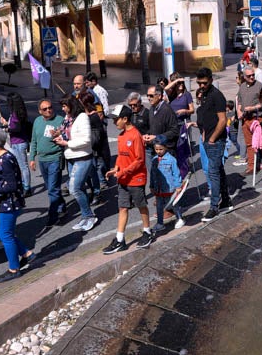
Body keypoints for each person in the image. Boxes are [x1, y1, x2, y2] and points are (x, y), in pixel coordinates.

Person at [0, 128, 35, 283]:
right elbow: (3, 180)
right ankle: (27, 253)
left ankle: (14, 268)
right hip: (2, 203)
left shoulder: (6, 159)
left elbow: (12, 185)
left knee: (6, 236)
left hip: (9, 204)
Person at [102, 109, 154, 254]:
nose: (114, 122)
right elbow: (120, 155)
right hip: (123, 179)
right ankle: (120, 240)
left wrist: (122, 172)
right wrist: (116, 168)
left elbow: (139, 160)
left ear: (125, 119)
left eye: (116, 119)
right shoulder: (121, 136)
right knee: (122, 208)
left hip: (136, 179)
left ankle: (147, 232)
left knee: (141, 206)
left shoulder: (136, 135)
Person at [54, 95, 98, 233]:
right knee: (80, 188)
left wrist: (66, 143)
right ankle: (85, 216)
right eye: (62, 106)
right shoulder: (68, 119)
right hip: (71, 157)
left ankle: (90, 216)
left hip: (83, 157)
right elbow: (66, 134)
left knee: (74, 188)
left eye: (65, 106)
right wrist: (58, 137)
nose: (63, 109)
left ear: (72, 105)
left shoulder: (82, 117)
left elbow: (86, 140)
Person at [196, 67, 233, 222]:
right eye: (199, 83)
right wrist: (205, 134)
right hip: (208, 139)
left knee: (213, 172)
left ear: (211, 80)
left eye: (204, 83)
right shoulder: (204, 95)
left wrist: (212, 139)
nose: (201, 86)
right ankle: (225, 200)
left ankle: (214, 207)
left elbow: (222, 120)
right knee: (218, 170)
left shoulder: (217, 96)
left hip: (216, 141)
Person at [28, 98, 66, 230]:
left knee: (53, 188)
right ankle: (61, 205)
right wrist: (32, 158)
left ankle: (53, 215)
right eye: (45, 109)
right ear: (40, 111)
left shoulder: (60, 120)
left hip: (55, 158)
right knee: (51, 187)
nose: (48, 110)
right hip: (42, 159)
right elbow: (34, 140)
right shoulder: (37, 121)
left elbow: (66, 137)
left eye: (50, 107)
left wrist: (58, 135)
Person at [235, 65, 262, 173]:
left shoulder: (260, 86)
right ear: (244, 76)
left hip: (256, 118)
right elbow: (239, 101)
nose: (252, 77)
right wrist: (239, 111)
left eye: (253, 75)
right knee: (249, 144)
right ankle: (252, 166)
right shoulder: (242, 86)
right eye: (249, 76)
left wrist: (252, 108)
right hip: (245, 119)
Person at [150, 136, 185, 232]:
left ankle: (179, 218)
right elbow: (152, 174)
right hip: (158, 188)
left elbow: (176, 173)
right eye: (156, 149)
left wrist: (178, 186)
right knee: (159, 206)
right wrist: (151, 185)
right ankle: (160, 223)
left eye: (160, 149)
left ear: (166, 147)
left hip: (170, 187)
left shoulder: (171, 160)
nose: (158, 151)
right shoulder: (154, 160)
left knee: (174, 204)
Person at [1, 93, 32, 196]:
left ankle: (27, 188)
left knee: (23, 166)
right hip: (17, 142)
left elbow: (16, 128)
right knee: (20, 166)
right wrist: (6, 123)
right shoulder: (19, 112)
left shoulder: (16, 114)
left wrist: (7, 128)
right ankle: (25, 184)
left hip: (19, 142)